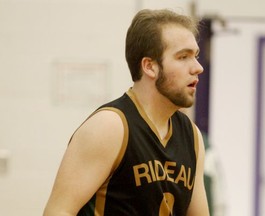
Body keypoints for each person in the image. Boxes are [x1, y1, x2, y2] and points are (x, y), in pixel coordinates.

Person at [44, 8, 210, 216]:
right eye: (183, 57)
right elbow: (58, 211)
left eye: (195, 56)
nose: (197, 67)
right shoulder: (110, 126)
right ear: (150, 67)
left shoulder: (192, 137)